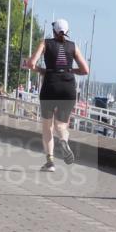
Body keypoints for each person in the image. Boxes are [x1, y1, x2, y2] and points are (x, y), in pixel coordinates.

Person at [24, 19, 89, 172]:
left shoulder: (45, 43)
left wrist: (42, 70)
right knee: (61, 125)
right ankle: (64, 140)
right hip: (68, 87)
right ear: (67, 32)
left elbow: (31, 63)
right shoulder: (73, 46)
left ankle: (50, 162)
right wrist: (70, 70)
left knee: (47, 126)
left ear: (53, 31)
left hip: (50, 85)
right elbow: (85, 70)